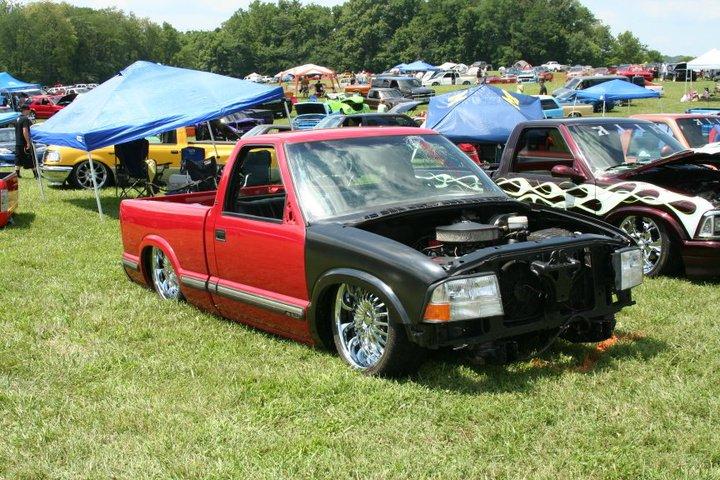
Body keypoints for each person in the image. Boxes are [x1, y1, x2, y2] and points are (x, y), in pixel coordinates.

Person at [14, 102, 36, 178]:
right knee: (30, 157)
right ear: (25, 110)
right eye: (29, 110)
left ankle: (17, 174)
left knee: (18, 158)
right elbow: (25, 131)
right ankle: (36, 174)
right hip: (24, 142)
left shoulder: (17, 119)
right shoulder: (25, 119)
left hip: (18, 142)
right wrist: (28, 142)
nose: (29, 111)